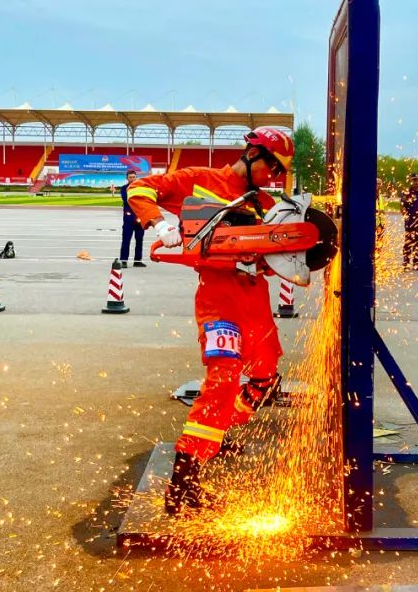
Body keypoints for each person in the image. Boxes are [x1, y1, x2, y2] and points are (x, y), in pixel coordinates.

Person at [126, 127, 295, 514]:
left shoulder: (268, 203)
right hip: (219, 302)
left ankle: (215, 433)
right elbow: (140, 190)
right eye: (271, 166)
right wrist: (159, 224)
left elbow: (274, 255)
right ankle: (183, 485)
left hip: (255, 302)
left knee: (266, 381)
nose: (274, 175)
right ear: (252, 154)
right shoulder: (199, 180)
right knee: (222, 381)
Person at [116, 169, 147, 269]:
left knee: (139, 240)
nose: (132, 179)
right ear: (127, 178)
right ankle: (124, 261)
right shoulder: (124, 188)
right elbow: (126, 199)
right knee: (126, 239)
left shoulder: (141, 188)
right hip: (129, 219)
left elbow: (144, 200)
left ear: (136, 177)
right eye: (130, 177)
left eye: (134, 177)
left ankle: (137, 261)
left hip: (140, 217)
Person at [400, 173, 418, 271]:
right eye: (414, 180)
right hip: (410, 220)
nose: (416, 182)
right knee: (408, 241)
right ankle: (406, 262)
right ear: (411, 181)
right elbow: (402, 205)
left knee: (417, 241)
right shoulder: (406, 192)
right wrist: (405, 215)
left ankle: (416, 262)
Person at [375, 178, 388, 249]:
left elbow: (382, 208)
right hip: (373, 221)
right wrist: (377, 211)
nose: (378, 185)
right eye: (377, 183)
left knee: (380, 241)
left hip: (381, 222)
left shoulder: (380, 196)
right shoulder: (371, 195)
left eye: (380, 184)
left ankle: (378, 254)